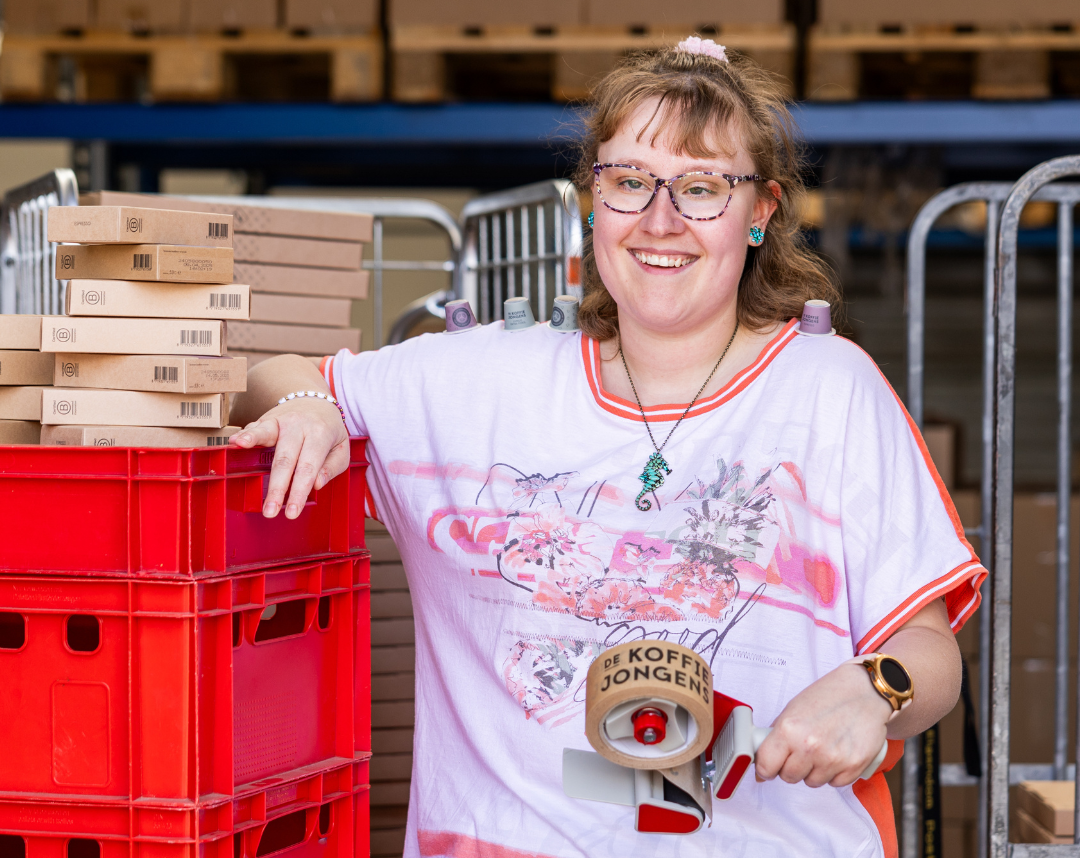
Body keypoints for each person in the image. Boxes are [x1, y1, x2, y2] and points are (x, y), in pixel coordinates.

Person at [231, 37, 986, 858]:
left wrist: (875, 689)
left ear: (762, 212)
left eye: (701, 188)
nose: (660, 222)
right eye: (629, 182)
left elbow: (930, 652)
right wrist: (307, 403)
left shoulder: (829, 392)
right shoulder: (480, 382)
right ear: (592, 198)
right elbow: (274, 378)